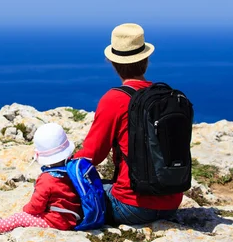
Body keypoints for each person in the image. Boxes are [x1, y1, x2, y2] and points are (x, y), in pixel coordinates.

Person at [74, 23, 182, 225]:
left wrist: (61, 165)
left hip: (131, 207)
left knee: (69, 191)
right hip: (171, 203)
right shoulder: (166, 97)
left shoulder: (114, 99)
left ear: (113, 63)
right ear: (146, 60)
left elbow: (93, 155)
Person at [0, 123, 82, 235]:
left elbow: (36, 207)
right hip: (72, 216)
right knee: (22, 217)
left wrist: (25, 210)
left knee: (19, 218)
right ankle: (2, 224)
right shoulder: (73, 169)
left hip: (58, 221)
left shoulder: (47, 179)